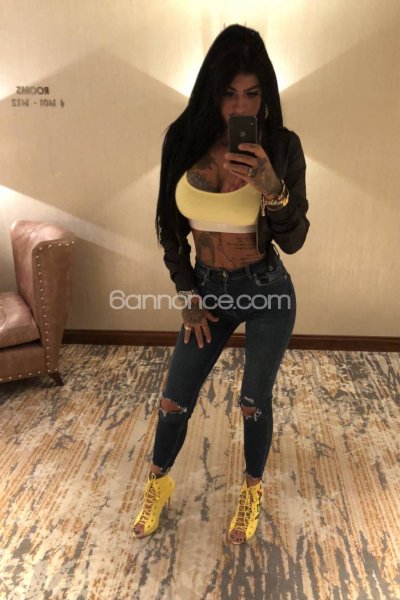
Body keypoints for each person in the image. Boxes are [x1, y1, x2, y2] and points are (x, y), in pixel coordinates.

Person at [132, 24, 309, 544]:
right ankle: (158, 483)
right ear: (212, 90)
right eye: (229, 93)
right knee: (174, 399)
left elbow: (295, 240)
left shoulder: (281, 146)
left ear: (266, 94)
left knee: (253, 400)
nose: (240, 107)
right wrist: (187, 294)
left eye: (252, 93)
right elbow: (170, 230)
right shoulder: (181, 140)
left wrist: (272, 188)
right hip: (207, 292)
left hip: (266, 291)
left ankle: (252, 490)